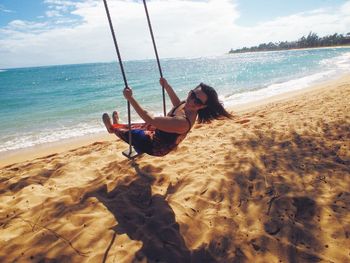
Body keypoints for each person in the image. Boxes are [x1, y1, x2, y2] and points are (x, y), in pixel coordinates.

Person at [102, 78, 232, 156]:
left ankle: (111, 129)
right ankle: (117, 124)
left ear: (202, 107)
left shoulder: (183, 123)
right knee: (138, 126)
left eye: (197, 101)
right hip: (158, 133)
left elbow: (150, 119)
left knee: (133, 132)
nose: (192, 100)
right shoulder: (188, 106)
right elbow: (177, 104)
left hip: (155, 146)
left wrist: (130, 98)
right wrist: (167, 86)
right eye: (192, 94)